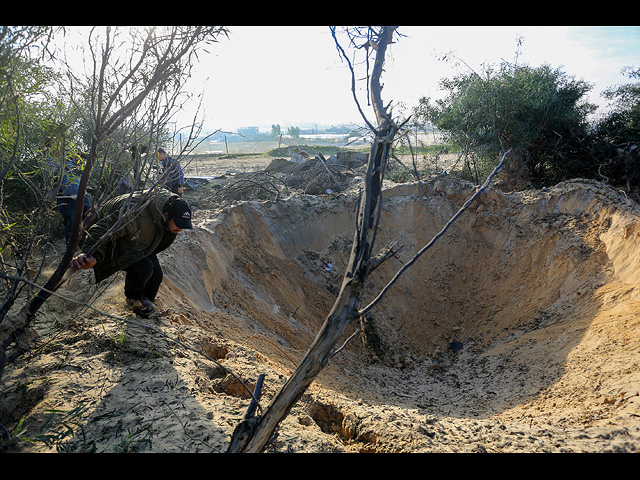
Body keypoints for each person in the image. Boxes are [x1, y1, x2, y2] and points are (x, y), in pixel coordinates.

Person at [71, 188, 193, 317]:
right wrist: (93, 254)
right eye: (178, 224)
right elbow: (102, 229)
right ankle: (134, 301)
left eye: (183, 225)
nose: (180, 229)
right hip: (104, 238)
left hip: (132, 238)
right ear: (166, 214)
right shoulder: (137, 214)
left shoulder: (163, 212)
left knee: (156, 274)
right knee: (143, 267)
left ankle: (146, 303)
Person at [50, 146, 93, 245]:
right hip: (66, 198)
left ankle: (87, 241)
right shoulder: (51, 162)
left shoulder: (71, 161)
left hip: (82, 195)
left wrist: (78, 160)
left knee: (91, 216)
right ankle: (71, 247)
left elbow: (83, 172)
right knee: (72, 223)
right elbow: (53, 172)